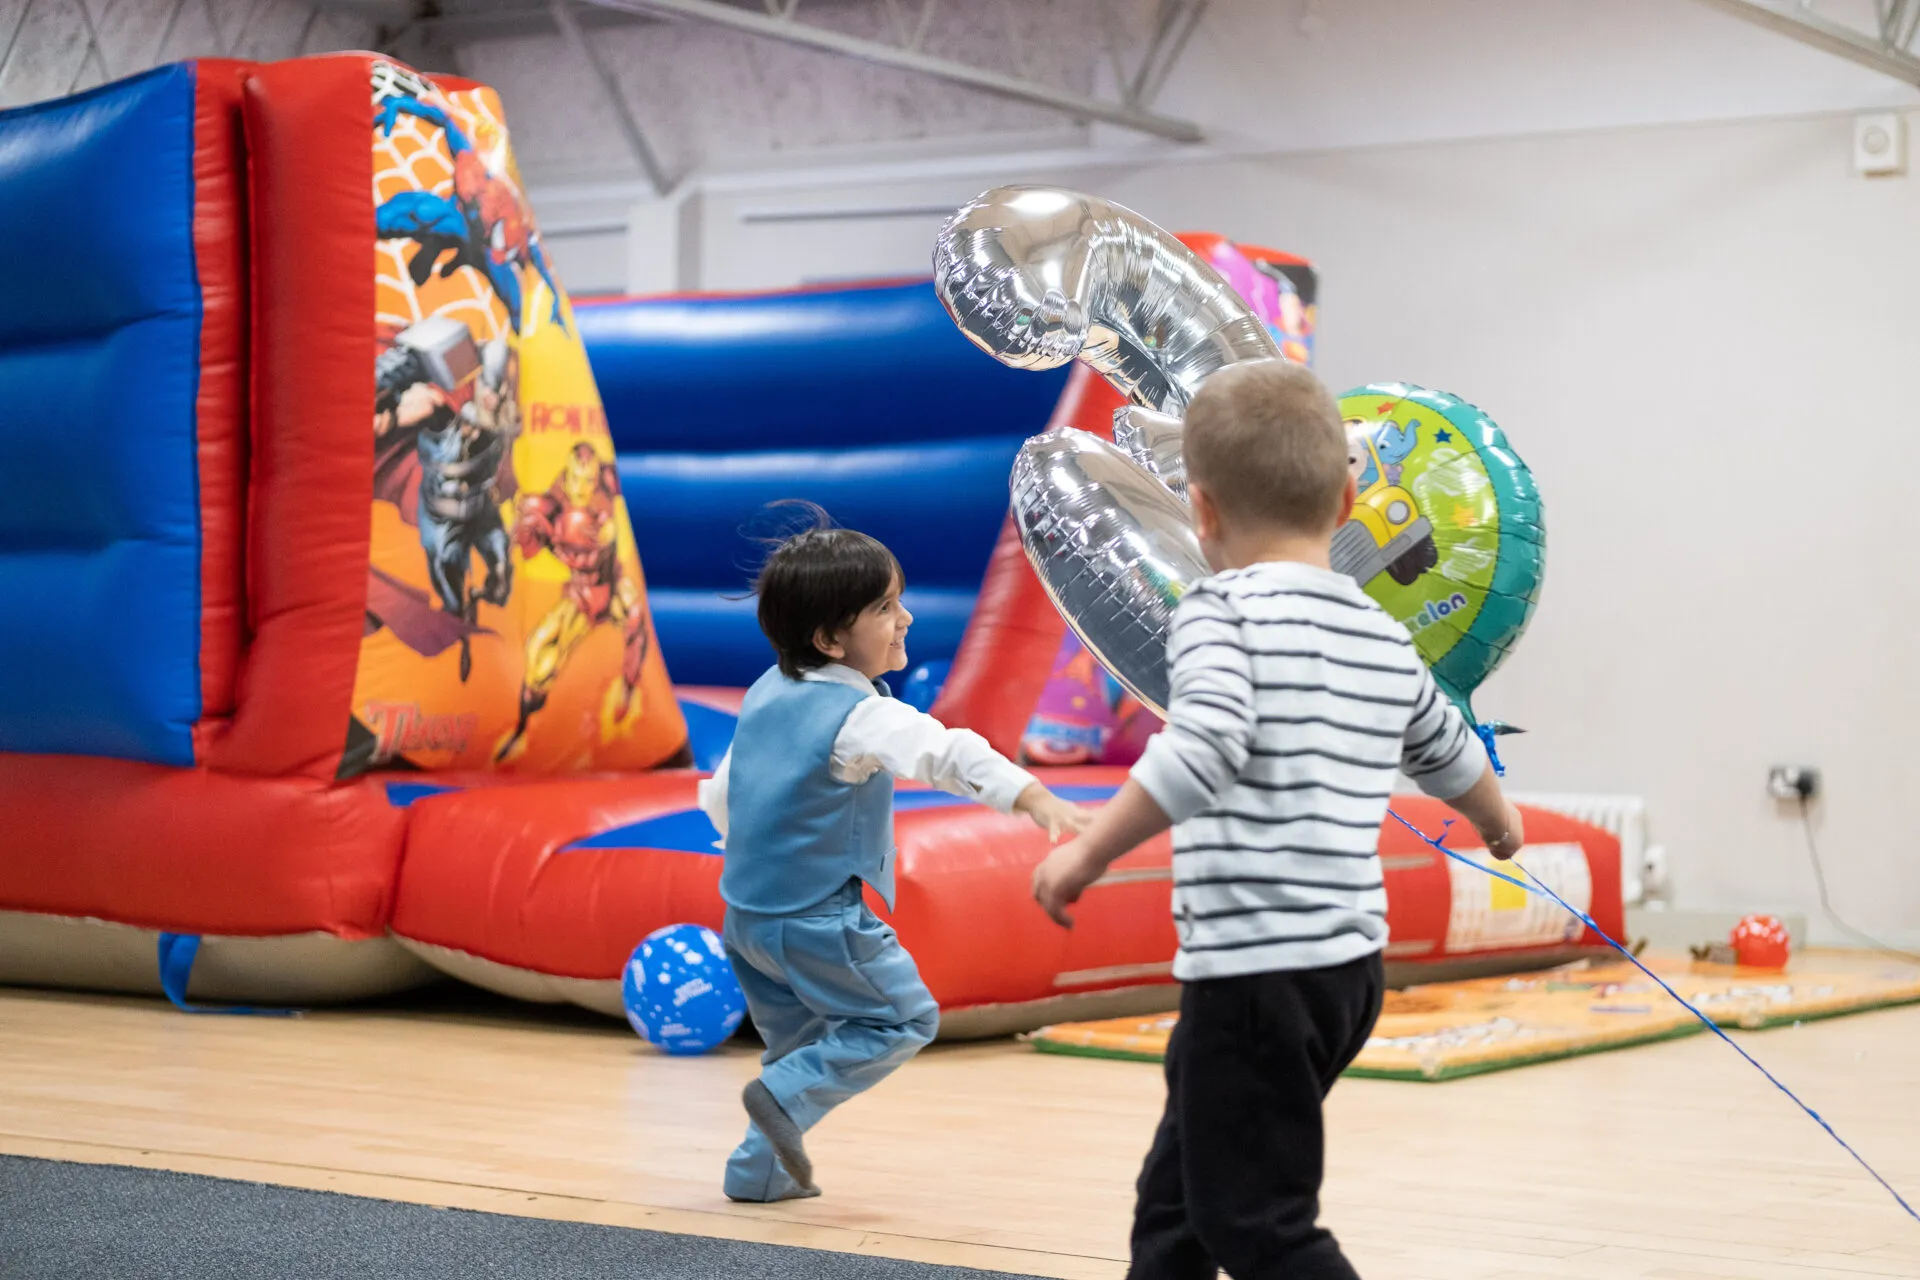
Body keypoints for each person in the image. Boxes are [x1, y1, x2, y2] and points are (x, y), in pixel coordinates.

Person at [1031, 360, 1525, 1280]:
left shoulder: (1222, 610)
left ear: (1202, 514)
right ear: (1346, 498)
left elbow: (1204, 744)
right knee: (1177, 1204)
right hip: (1344, 974)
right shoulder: (1382, 630)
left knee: (1258, 1223)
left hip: (1257, 972)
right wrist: (1499, 826)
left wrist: (1086, 852)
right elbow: (1449, 750)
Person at [699, 513, 1089, 1204]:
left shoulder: (765, 693)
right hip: (821, 919)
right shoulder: (859, 715)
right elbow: (947, 752)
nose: (904, 618)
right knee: (900, 1020)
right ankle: (781, 1100)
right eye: (884, 608)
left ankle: (758, 1176)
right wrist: (1030, 795)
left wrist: (749, 856)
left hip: (748, 920)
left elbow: (727, 790)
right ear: (829, 639)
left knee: (796, 1050)